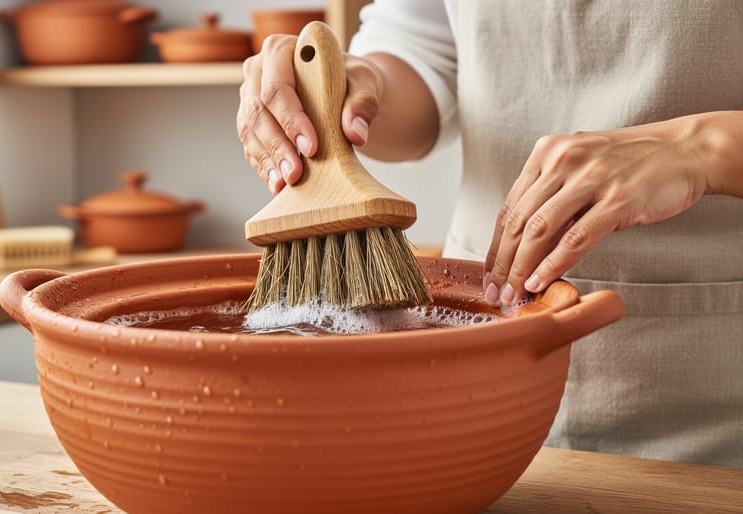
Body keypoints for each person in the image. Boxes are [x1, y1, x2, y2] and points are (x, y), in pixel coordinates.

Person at [236, 0, 743, 468]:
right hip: (468, 388)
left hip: (714, 413)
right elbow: (422, 51)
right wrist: (362, 85)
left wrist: (703, 147)